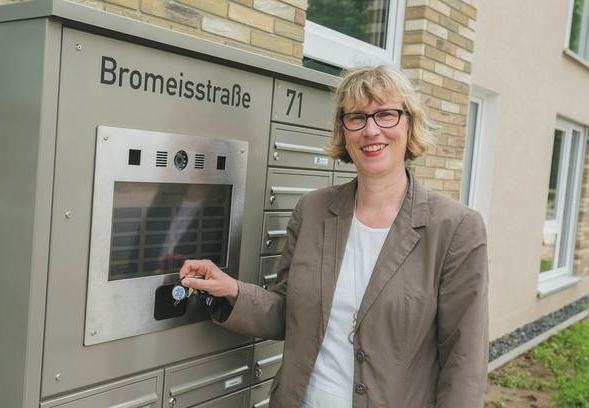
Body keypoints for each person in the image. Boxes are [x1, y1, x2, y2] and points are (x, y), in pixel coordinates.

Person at [179, 65, 489, 408]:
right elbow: (289, 313)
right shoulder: (312, 210)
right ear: (344, 131)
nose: (371, 130)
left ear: (409, 123)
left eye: (386, 114)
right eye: (356, 117)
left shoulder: (455, 227)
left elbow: (464, 363)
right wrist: (233, 291)